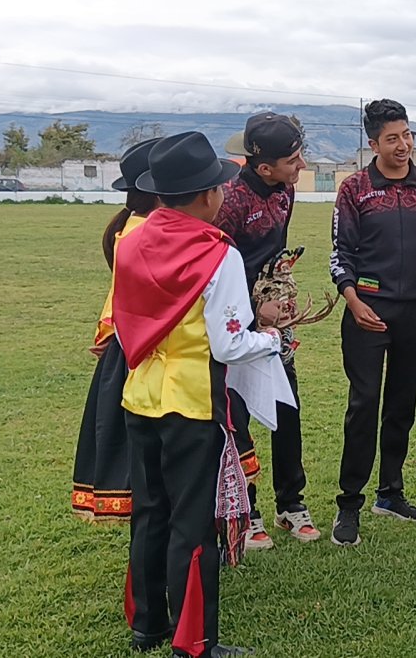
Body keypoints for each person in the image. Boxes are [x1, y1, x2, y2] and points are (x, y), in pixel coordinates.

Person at [114, 131, 286, 656]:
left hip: (139, 394)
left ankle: (147, 623)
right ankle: (196, 641)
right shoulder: (218, 253)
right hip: (192, 402)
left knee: (150, 511)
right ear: (207, 195)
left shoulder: (132, 239)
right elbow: (230, 343)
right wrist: (271, 339)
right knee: (192, 521)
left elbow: (125, 324)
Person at [328, 99, 416, 546]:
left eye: (407, 136)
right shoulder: (355, 188)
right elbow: (339, 252)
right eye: (392, 139)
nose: (403, 146)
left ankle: (391, 493)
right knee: (363, 405)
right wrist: (353, 299)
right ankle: (349, 503)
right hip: (368, 311)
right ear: (373, 143)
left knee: (402, 405)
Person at [215, 112, 317, 549]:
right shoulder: (230, 202)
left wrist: (279, 294)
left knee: (285, 405)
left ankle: (290, 504)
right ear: (263, 167)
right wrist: (257, 309)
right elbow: (217, 269)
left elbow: (274, 254)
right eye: (293, 160)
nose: (301, 166)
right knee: (240, 414)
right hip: (237, 322)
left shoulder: (286, 190)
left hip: (277, 318)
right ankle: (248, 508)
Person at [71, 137, 161, 522]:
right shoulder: (144, 234)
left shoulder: (132, 227)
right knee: (153, 472)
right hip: (144, 357)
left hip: (130, 351)